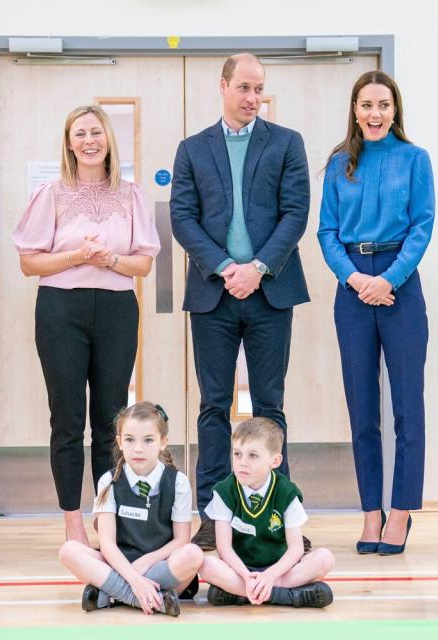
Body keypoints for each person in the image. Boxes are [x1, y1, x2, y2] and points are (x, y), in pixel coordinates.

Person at [170, 53, 310, 550]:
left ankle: (282, 519)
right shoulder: (192, 149)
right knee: (214, 405)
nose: (253, 98)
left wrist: (258, 268)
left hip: (271, 291)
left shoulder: (287, 143)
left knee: (270, 407)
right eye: (245, 88)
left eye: (259, 90)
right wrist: (227, 268)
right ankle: (213, 517)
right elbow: (182, 218)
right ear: (223, 86)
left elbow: (296, 214)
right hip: (213, 295)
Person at [14, 105, 161, 545]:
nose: (89, 140)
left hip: (116, 309)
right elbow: (28, 261)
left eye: (96, 132)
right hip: (61, 309)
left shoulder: (131, 194)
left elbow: (144, 264)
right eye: (80, 133)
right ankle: (72, 523)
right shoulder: (51, 193)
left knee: (111, 418)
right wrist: (77, 257)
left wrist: (110, 259)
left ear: (108, 139)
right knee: (67, 418)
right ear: (69, 142)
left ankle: (106, 517)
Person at [317, 70, 434, 555]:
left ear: (395, 110)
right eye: (366, 104)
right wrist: (357, 280)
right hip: (353, 286)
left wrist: (388, 279)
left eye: (383, 105)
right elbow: (326, 231)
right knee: (362, 409)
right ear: (355, 110)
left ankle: (401, 511)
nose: (375, 113)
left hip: (399, 284)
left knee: (408, 407)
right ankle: (370, 511)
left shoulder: (414, 159)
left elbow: (423, 225)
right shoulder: (339, 163)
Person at [57, 402, 202, 617]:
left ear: (163, 442)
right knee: (69, 551)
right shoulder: (109, 481)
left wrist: (145, 562)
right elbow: (107, 544)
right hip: (120, 562)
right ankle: (155, 600)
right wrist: (134, 579)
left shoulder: (178, 482)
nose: (138, 448)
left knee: (193, 554)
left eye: (148, 440)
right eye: (130, 440)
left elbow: (181, 540)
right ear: (119, 442)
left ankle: (112, 594)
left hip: (158, 565)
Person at [199, 418, 335, 608]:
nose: (242, 463)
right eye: (237, 454)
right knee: (204, 564)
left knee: (325, 558)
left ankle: (242, 593)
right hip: (241, 570)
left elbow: (296, 549)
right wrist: (247, 577)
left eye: (253, 455)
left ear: (275, 461)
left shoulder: (287, 493)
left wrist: (270, 576)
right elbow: (224, 548)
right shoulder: (224, 491)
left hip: (280, 570)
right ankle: (283, 596)